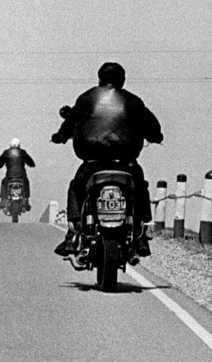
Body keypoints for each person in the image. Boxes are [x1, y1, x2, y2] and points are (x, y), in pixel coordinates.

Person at [51, 62, 163, 265]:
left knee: (76, 187)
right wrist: (156, 137)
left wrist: (60, 136)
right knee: (139, 187)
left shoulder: (86, 99)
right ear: (123, 80)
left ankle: (72, 233)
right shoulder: (134, 102)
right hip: (125, 164)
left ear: (100, 79)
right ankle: (140, 235)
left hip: (92, 164)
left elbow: (69, 124)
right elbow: (153, 128)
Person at [0, 137, 36, 211]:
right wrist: (31, 165)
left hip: (10, 176)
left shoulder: (6, 152)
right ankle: (26, 199)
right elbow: (31, 163)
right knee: (26, 183)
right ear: (19, 145)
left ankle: (3, 200)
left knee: (4, 182)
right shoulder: (23, 152)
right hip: (21, 176)